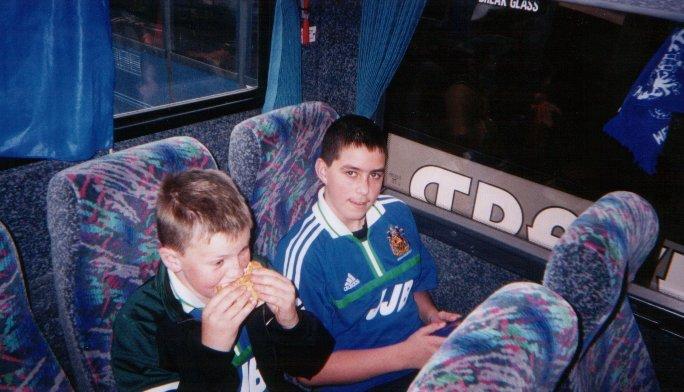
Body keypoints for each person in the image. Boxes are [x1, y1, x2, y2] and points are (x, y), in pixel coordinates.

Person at [274, 115, 461, 391]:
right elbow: (306, 373)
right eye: (351, 173)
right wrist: (406, 355)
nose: (365, 190)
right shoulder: (304, 253)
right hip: (360, 384)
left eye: (375, 175)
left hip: (419, 355)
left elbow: (414, 284)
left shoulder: (397, 213)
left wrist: (431, 316)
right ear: (323, 171)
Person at [111, 169, 334, 392]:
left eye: (244, 249)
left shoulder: (259, 269)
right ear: (173, 260)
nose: (238, 271)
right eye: (219, 262)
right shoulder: (140, 325)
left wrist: (292, 322)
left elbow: (309, 366)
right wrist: (212, 352)